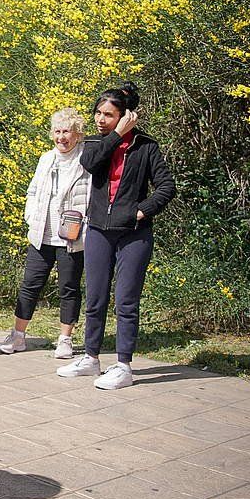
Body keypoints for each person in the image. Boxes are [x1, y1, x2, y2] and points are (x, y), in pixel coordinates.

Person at [57, 84, 176, 390]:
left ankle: (123, 365)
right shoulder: (98, 144)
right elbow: (89, 164)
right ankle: (91, 358)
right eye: (98, 112)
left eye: (108, 115)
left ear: (125, 117)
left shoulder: (146, 147)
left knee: (126, 301)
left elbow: (166, 186)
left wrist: (142, 211)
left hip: (134, 235)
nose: (100, 119)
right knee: (95, 299)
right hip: (97, 230)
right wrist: (115, 136)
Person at [0, 108, 91, 359]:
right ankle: (18, 336)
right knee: (30, 284)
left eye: (67, 132)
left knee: (68, 287)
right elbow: (33, 191)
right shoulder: (46, 159)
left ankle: (65, 339)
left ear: (78, 135)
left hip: (72, 237)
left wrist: (86, 224)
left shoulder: (86, 160)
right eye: (58, 131)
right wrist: (30, 217)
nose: (62, 137)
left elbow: (92, 197)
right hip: (42, 234)